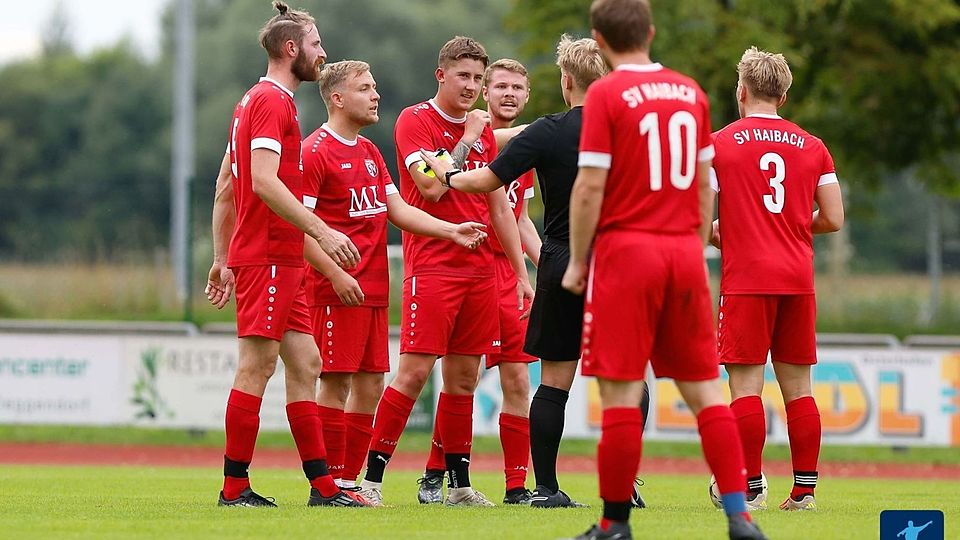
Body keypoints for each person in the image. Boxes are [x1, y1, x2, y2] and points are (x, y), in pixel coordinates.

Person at [560, 1, 766, 538]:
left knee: (623, 392)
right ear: (650, 32)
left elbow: (589, 188)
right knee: (704, 390)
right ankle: (740, 517)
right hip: (683, 253)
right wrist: (693, 250)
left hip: (628, 253)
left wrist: (580, 261)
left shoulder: (605, 93)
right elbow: (703, 188)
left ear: (598, 40)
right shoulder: (691, 92)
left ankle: (613, 524)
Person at [423, 34, 656, 509]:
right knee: (629, 379)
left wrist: (445, 172)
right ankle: (624, 484)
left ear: (565, 81)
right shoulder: (635, 130)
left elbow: (485, 179)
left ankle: (547, 489)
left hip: (562, 259)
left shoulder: (547, 131)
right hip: (622, 262)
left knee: (553, 382)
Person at [356, 36, 534, 508]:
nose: (472, 86)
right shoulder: (416, 120)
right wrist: (470, 138)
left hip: (480, 271)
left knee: (463, 380)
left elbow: (501, 210)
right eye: (464, 76)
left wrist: (520, 273)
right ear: (441, 75)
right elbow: (430, 188)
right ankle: (370, 479)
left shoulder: (489, 137)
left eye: (479, 78)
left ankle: (458, 485)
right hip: (433, 266)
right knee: (414, 372)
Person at [204, 1, 367, 508]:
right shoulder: (273, 103)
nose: (323, 54)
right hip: (271, 254)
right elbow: (262, 182)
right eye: (316, 45)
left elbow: (225, 185)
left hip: (275, 256)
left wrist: (221, 257)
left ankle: (323, 488)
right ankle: (234, 488)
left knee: (307, 362)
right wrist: (322, 230)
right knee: (257, 366)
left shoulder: (248, 101)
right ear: (291, 49)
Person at [302, 60, 488, 496]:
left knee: (369, 384)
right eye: (365, 88)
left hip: (374, 288)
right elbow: (301, 227)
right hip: (337, 288)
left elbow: (398, 211)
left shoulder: (368, 152)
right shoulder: (315, 150)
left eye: (375, 86)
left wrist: (451, 230)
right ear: (338, 98)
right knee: (335, 382)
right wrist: (333, 271)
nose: (376, 95)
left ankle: (350, 483)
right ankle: (324, 485)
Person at [710, 47, 844, 512]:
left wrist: (720, 232)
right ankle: (804, 491)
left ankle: (749, 488)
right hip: (797, 277)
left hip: (747, 279)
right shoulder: (813, 145)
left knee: (746, 388)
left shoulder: (719, 144)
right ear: (783, 97)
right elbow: (834, 217)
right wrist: (786, 226)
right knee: (800, 390)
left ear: (741, 90)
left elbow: (694, 217)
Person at [417, 58, 540, 506]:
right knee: (460, 379)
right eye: (501, 86)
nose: (509, 94)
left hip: (507, 277)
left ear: (527, 96)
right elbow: (434, 186)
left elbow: (520, 219)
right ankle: (435, 473)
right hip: (465, 269)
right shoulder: (474, 141)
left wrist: (543, 269)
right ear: (486, 94)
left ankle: (515, 486)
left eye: (518, 88)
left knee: (517, 380)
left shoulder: (526, 153)